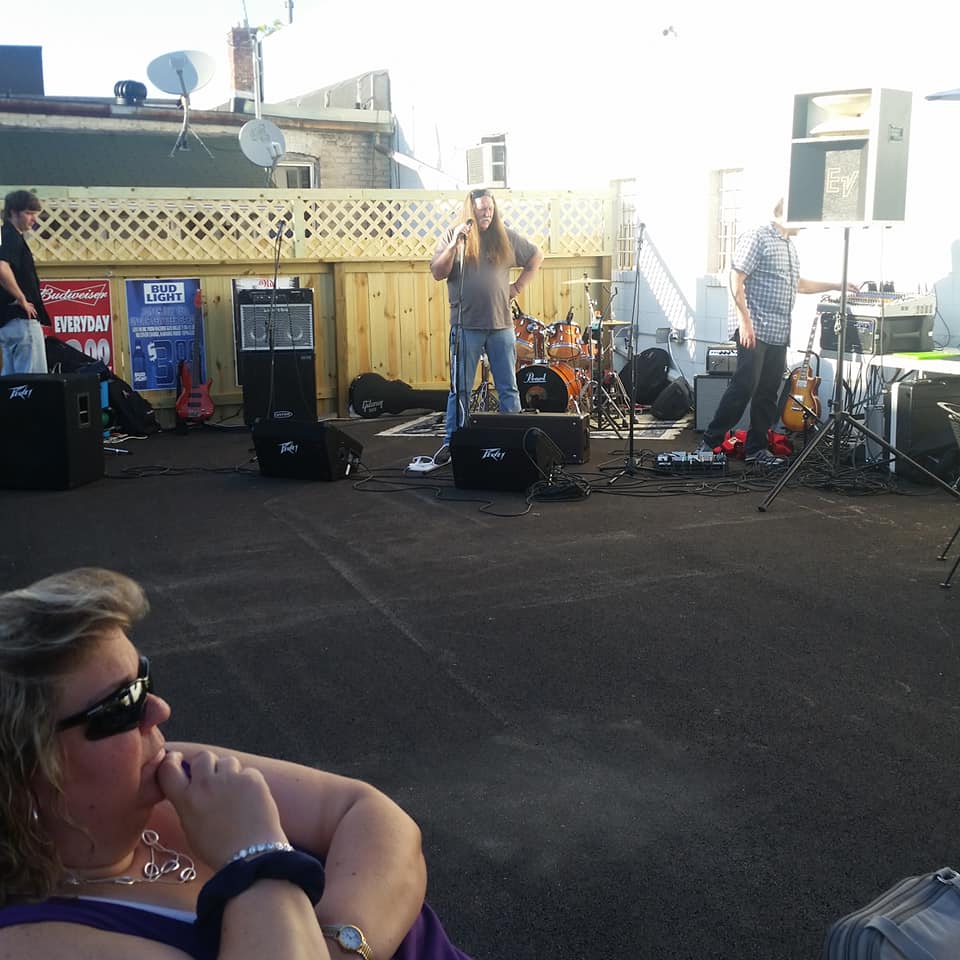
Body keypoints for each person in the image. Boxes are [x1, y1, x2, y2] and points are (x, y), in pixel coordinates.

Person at [0, 568, 473, 960]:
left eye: (143, 679)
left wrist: (338, 947)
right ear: (25, 771)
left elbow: (370, 812)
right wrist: (255, 853)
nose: (158, 710)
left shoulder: (168, 774)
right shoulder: (32, 942)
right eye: (122, 705)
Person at [696, 199, 857, 466]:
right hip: (754, 329)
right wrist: (744, 321)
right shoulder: (758, 237)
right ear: (787, 214)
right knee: (744, 386)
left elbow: (799, 285)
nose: (806, 224)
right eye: (802, 217)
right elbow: (735, 277)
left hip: (779, 332)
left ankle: (756, 450)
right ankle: (709, 443)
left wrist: (836, 284)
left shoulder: (789, 247)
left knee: (768, 393)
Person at [426, 188, 543, 467]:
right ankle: (453, 444)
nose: (487, 214)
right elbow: (438, 272)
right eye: (481, 210)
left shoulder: (505, 236)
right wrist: (454, 244)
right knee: (460, 390)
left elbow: (536, 255)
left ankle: (515, 445)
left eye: (490, 209)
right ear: (471, 211)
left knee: (508, 388)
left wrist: (517, 287)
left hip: (501, 325)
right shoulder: (453, 236)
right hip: (466, 326)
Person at [0, 189, 50, 375]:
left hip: (6, 323)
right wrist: (22, 299)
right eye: (29, 213)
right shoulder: (11, 236)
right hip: (21, 321)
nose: (34, 219)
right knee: (32, 382)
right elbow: (2, 267)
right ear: (13, 212)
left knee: (11, 384)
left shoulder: (3, 236)